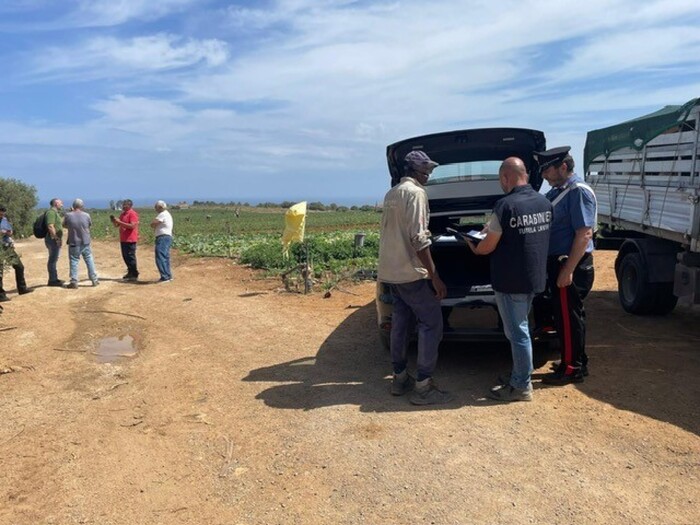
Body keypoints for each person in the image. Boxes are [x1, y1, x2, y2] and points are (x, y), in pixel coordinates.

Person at [465, 158, 553, 402]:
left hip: (510, 280)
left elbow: (486, 248)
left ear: (506, 177)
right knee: (522, 327)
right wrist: (490, 227)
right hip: (534, 278)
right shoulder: (544, 202)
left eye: (500, 180)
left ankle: (521, 386)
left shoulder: (505, 205)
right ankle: (519, 374)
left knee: (517, 333)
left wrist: (473, 246)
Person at [377, 150, 452, 405]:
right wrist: (435, 276)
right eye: (425, 169)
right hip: (411, 273)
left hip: (391, 272)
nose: (429, 173)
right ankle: (423, 385)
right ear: (414, 171)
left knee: (400, 322)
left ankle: (399, 378)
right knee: (431, 323)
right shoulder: (416, 193)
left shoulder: (391, 194)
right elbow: (419, 239)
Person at [535, 146, 597, 385]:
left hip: (569, 264)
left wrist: (568, 270)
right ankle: (575, 360)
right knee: (565, 317)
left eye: (547, 169)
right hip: (560, 264)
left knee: (569, 319)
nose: (543, 176)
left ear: (563, 166)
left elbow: (584, 234)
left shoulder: (577, 192)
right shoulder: (558, 192)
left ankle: (572, 368)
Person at [62, 199, 99, 289]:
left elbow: (64, 225)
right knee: (89, 259)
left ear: (73, 206)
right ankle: (94, 280)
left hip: (74, 241)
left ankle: (74, 281)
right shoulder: (87, 215)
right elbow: (89, 225)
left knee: (74, 261)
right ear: (82, 206)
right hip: (85, 241)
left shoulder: (68, 215)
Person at [0, 205, 33, 301]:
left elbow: (10, 231)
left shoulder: (4, 220)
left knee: (19, 266)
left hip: (7, 247)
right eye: (0, 214)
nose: (2, 215)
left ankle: (22, 288)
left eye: (3, 214)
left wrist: (8, 232)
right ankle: (1, 295)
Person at [111, 199, 139, 281]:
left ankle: (134, 273)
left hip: (130, 239)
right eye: (123, 205)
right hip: (123, 239)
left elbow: (132, 226)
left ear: (130, 206)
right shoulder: (123, 214)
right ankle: (130, 272)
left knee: (130, 256)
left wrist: (120, 222)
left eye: (125, 205)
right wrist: (114, 221)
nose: (123, 206)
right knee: (125, 256)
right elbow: (117, 225)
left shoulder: (132, 214)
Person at [150, 200, 174, 282]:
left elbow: (153, 224)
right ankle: (168, 275)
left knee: (160, 256)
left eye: (156, 207)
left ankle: (165, 276)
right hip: (167, 237)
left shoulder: (162, 214)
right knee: (165, 256)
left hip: (163, 237)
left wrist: (152, 223)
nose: (155, 209)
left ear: (160, 207)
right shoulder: (167, 214)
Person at [45, 198, 64, 287]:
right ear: (56, 203)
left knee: (54, 259)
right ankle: (52, 280)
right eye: (61, 203)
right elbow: (50, 226)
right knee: (52, 259)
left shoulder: (54, 213)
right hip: (52, 240)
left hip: (53, 239)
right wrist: (56, 238)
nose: (62, 204)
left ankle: (54, 278)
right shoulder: (51, 213)